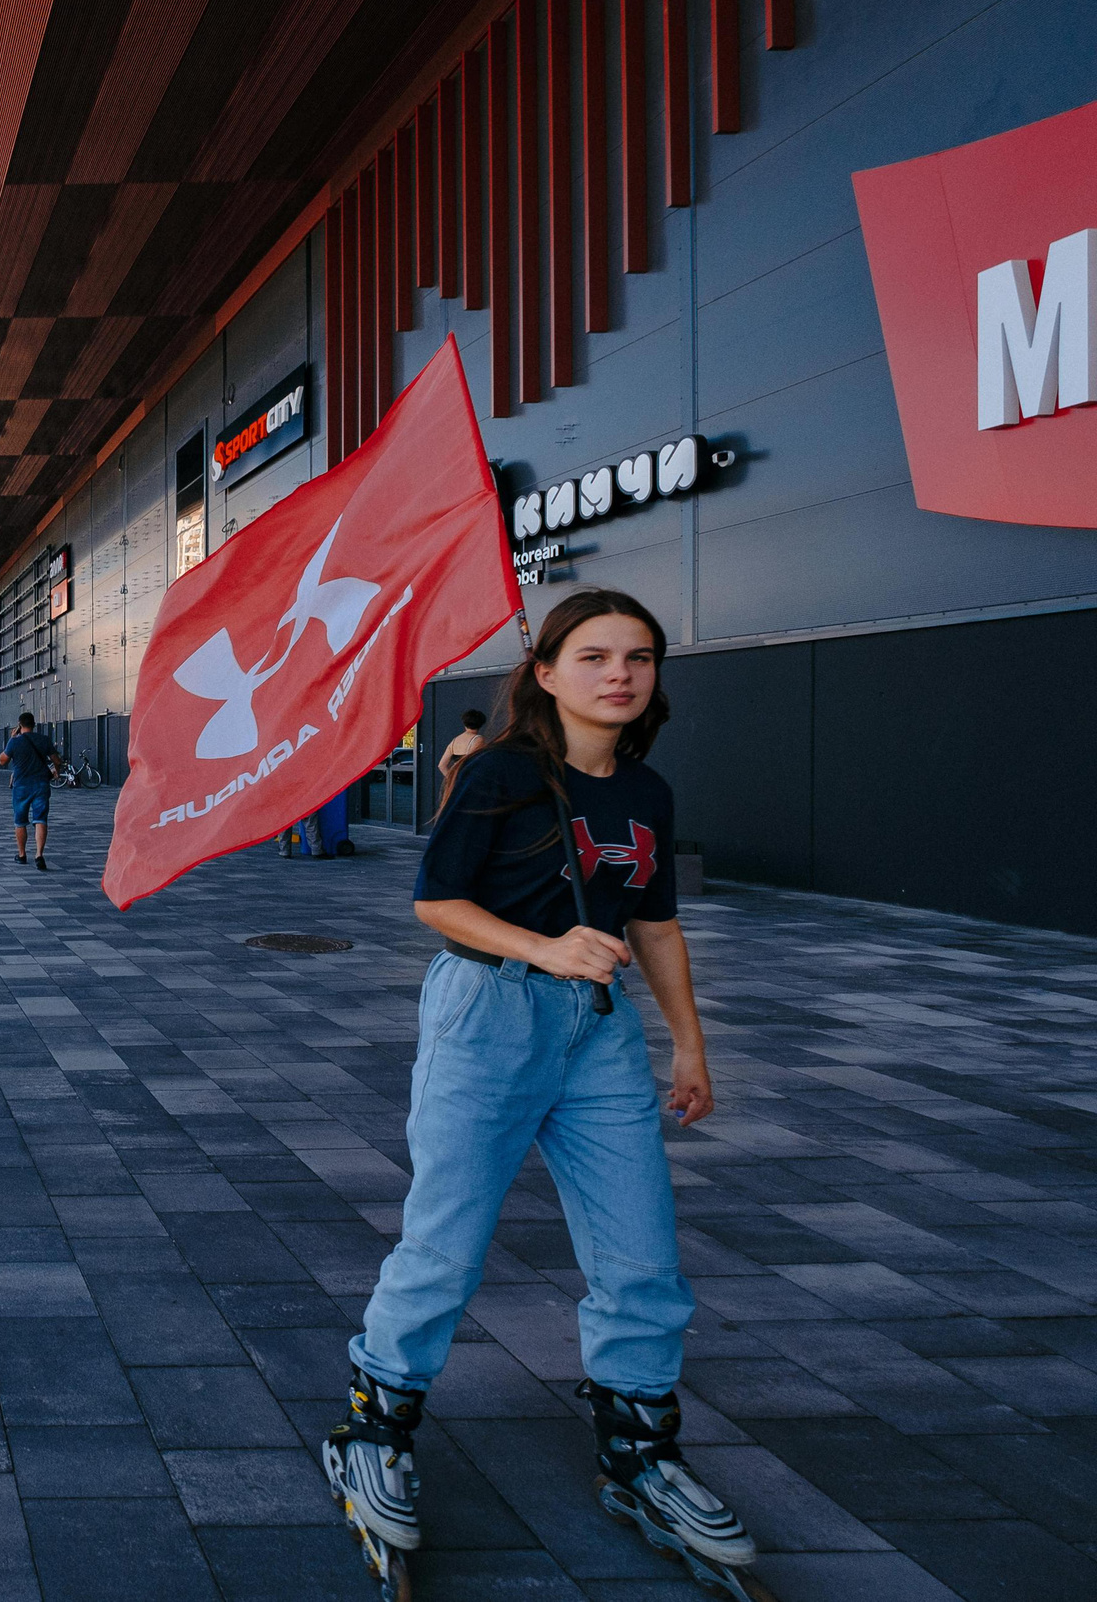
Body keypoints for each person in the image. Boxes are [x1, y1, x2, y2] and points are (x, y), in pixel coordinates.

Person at [324, 589, 754, 1595]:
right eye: (594, 655)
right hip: (489, 1013)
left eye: (638, 656)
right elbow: (436, 902)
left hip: (597, 1032)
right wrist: (543, 947)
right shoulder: (500, 773)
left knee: (641, 1247)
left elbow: (653, 925)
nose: (619, 673)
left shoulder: (646, 791)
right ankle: (373, 1428)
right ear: (547, 671)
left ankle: (638, 1449)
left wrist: (690, 1046)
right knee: (446, 1239)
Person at [0, 711, 58, 869]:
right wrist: (55, 771)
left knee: (20, 821)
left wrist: (11, 739)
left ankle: (22, 854)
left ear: (19, 725)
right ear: (34, 724)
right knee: (41, 819)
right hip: (41, 785)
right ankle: (39, 855)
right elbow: (57, 760)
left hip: (21, 786)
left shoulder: (15, 741)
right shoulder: (44, 740)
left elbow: (2, 760)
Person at [436, 708, 488, 786]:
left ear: (465, 724)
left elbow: (442, 765)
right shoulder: (479, 739)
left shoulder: (455, 740)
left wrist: (453, 779)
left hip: (458, 781)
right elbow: (472, 762)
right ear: (480, 724)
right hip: (471, 780)